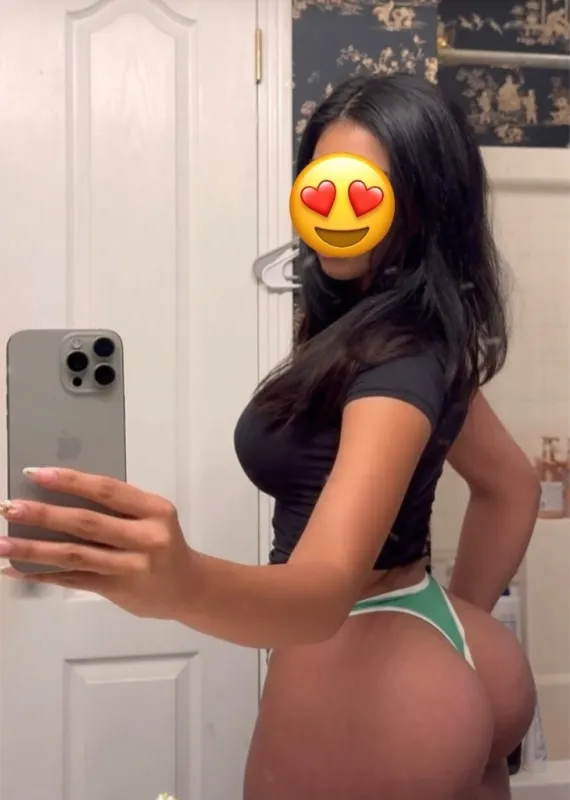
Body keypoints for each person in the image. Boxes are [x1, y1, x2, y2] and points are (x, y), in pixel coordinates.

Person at [0, 74, 540, 799]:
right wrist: (451, 629)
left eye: (364, 192)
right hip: (435, 641)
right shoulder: (411, 334)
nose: (335, 210)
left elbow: (321, 598)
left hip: (367, 675)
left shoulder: (396, 364)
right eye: (320, 186)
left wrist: (181, 581)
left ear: (422, 204)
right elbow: (511, 485)